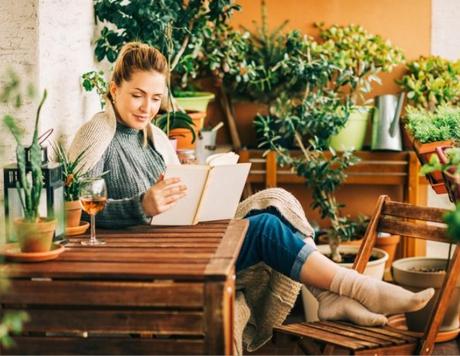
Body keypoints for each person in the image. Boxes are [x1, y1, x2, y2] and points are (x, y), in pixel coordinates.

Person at [69, 42, 434, 329]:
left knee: (273, 206)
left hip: (179, 242)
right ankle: (353, 289)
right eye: (137, 95)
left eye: (155, 98)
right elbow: (76, 213)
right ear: (113, 88)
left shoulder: (156, 138)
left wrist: (199, 186)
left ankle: (331, 293)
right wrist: (141, 206)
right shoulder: (99, 132)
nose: (147, 107)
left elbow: (177, 201)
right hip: (148, 258)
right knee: (265, 227)